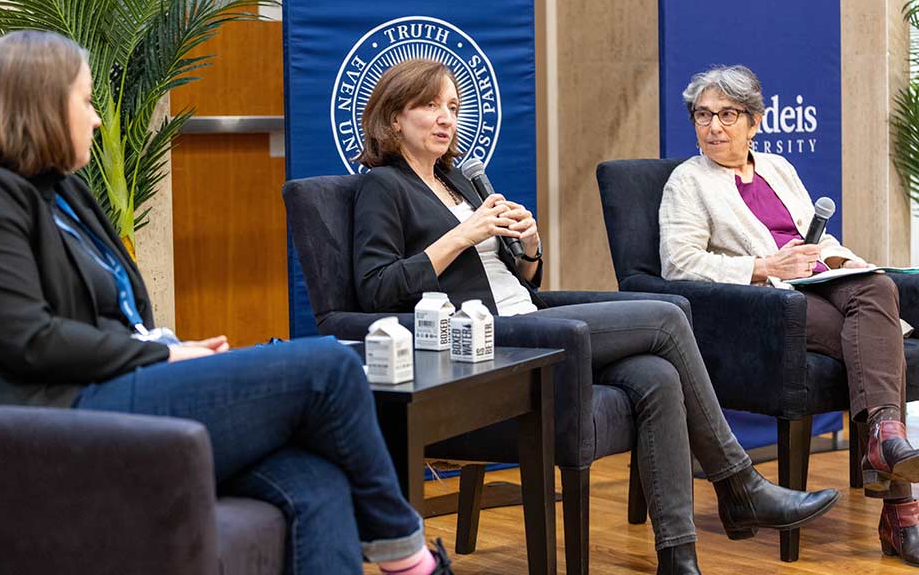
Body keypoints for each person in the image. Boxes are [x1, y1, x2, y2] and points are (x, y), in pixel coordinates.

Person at [0, 30, 453, 575]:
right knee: (331, 366)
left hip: (115, 385)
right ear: (42, 107)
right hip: (60, 417)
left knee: (316, 481)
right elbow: (29, 340)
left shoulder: (66, 192)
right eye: (85, 100)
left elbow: (118, 318)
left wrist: (171, 345)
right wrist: (162, 357)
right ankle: (411, 558)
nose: (96, 118)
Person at [351, 58, 840, 575]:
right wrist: (464, 234)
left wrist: (530, 245)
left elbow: (524, 282)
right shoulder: (384, 186)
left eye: (452, 106)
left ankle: (679, 556)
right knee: (669, 315)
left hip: (526, 314)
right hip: (480, 337)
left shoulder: (457, 181)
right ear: (394, 117)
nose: (446, 118)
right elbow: (377, 288)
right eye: (429, 106)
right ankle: (739, 483)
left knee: (656, 374)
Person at [659, 63, 919, 568]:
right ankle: (900, 506)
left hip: (819, 282)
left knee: (877, 285)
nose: (713, 126)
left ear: (755, 122)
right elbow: (680, 264)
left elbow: (815, 240)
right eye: (703, 115)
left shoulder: (780, 168)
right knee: (872, 349)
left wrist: (842, 261)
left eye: (727, 115)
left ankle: (885, 443)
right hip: (774, 308)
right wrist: (763, 266)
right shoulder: (686, 182)